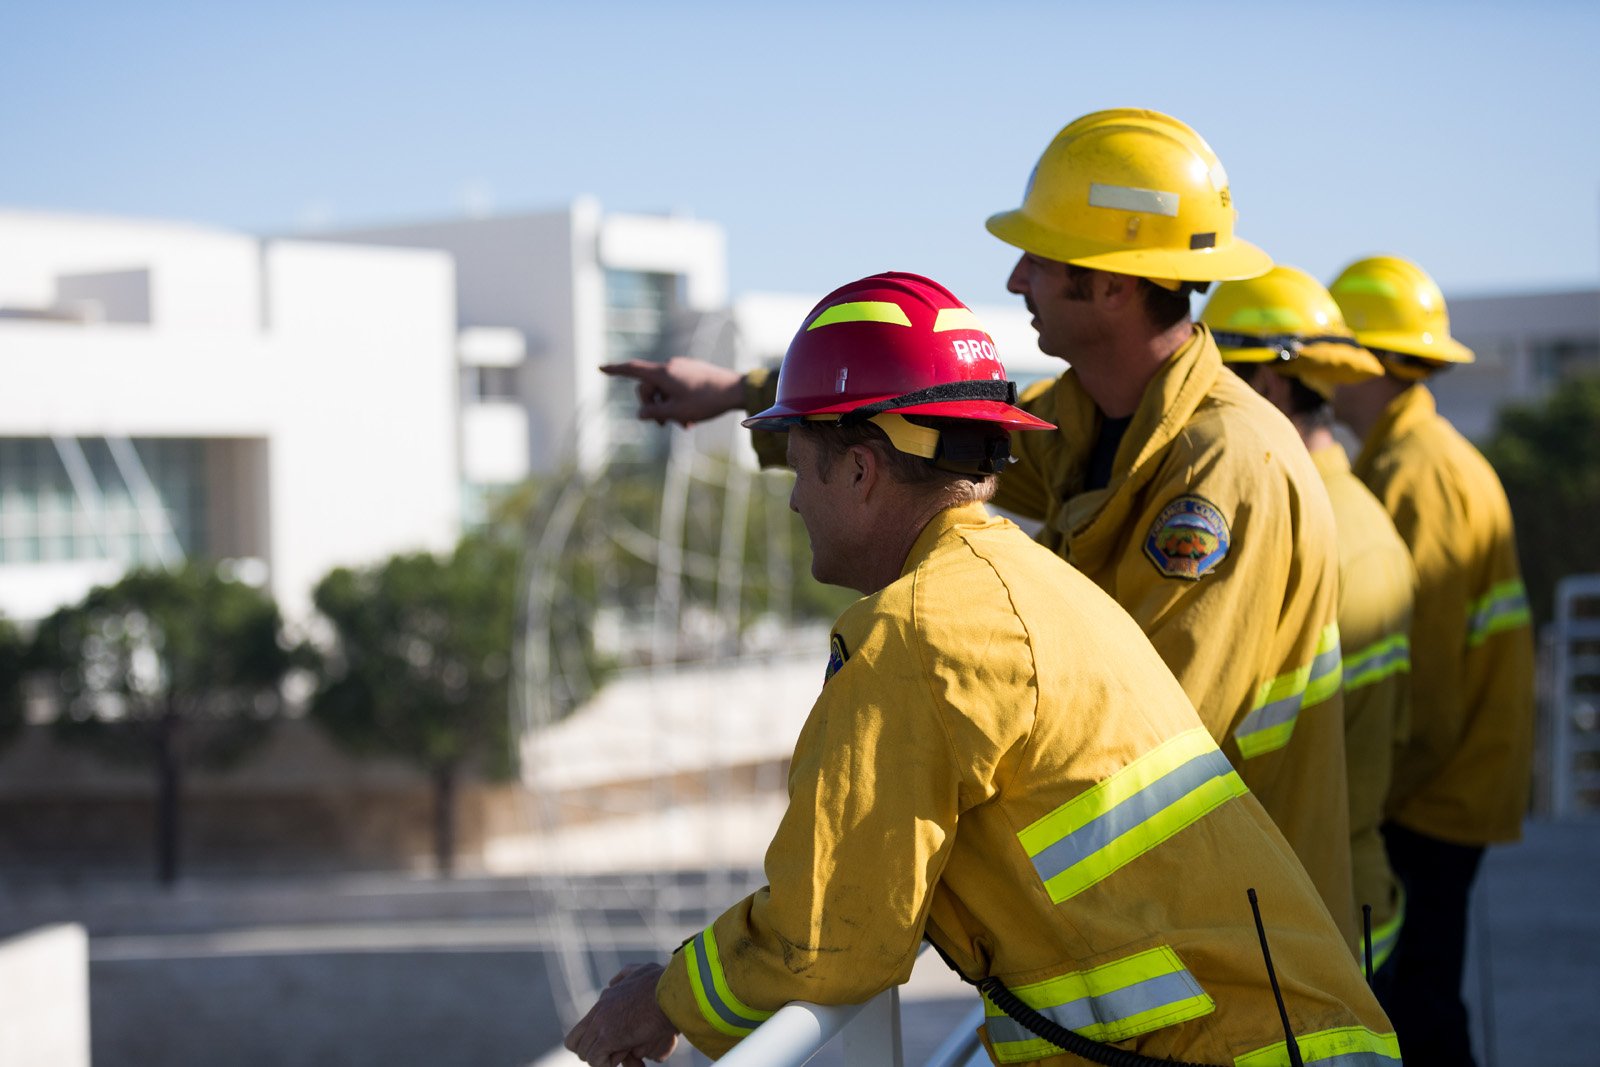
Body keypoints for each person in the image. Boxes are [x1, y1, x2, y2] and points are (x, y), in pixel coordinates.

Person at [566, 272, 1397, 1067]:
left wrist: (665, 995)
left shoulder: (915, 635)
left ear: (860, 472)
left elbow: (824, 940)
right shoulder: (1030, 584)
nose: (792, 499)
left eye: (800, 463)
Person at [604, 110, 1359, 946]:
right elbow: (922, 427)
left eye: (1039, 257)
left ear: (1111, 283)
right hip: (1162, 926)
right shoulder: (1101, 419)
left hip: (1225, 937)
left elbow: (1125, 746)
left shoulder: (1221, 469)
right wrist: (741, 392)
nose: (1014, 279)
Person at [1328, 255, 1535, 1065]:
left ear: (1367, 361)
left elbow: (1430, 688)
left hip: (1431, 798)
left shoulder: (1417, 475)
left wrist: (1368, 800)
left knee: (1419, 1006)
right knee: (1422, 997)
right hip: (1446, 786)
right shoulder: (1408, 460)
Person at [1201, 266, 1417, 967]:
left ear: (1267, 387)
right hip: (1327, 895)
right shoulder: (1352, 518)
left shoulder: (1311, 533)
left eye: (1212, 378)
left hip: (1306, 915)